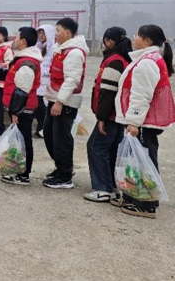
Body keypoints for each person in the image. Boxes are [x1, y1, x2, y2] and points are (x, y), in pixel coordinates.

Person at [114, 25, 175, 219]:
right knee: (136, 160)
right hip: (145, 120)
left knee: (144, 161)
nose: (134, 38)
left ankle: (146, 205)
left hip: (144, 121)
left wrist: (134, 121)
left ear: (148, 40)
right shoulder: (149, 59)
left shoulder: (147, 62)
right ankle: (132, 197)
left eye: (137, 35)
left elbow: (141, 95)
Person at [0, 27, 42, 185]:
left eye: (16, 37)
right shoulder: (22, 59)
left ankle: (23, 175)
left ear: (23, 41)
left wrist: (16, 111)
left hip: (23, 108)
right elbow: (10, 77)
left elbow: (22, 90)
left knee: (23, 140)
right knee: (20, 140)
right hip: (20, 107)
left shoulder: (27, 62)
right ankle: (18, 170)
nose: (14, 40)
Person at [83, 27, 132, 203]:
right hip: (117, 115)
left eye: (104, 40)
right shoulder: (123, 59)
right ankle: (112, 186)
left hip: (110, 115)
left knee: (96, 147)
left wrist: (102, 117)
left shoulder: (114, 62)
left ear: (110, 41)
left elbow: (108, 93)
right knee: (111, 150)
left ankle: (103, 188)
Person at [43, 18, 89, 189]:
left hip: (65, 102)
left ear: (68, 33)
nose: (55, 34)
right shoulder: (62, 49)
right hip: (55, 98)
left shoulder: (74, 53)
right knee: (49, 134)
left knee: (61, 139)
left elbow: (72, 80)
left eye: (58, 30)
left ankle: (65, 176)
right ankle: (61, 167)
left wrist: (60, 102)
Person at [34, 25, 55, 137]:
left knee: (41, 105)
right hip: (38, 80)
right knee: (37, 105)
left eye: (44, 33)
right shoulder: (38, 47)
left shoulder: (54, 48)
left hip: (47, 81)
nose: (41, 36)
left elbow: (54, 67)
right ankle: (41, 127)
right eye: (40, 33)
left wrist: (43, 70)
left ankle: (43, 127)